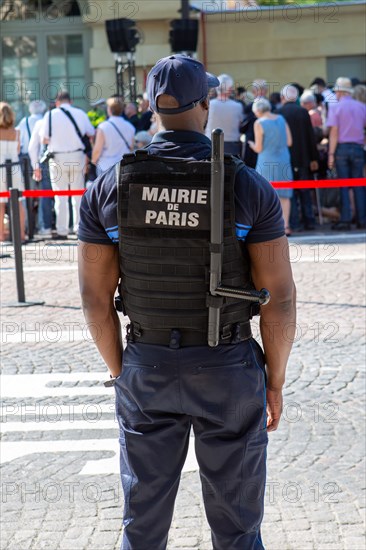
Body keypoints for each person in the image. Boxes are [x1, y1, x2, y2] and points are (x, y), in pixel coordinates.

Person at [78, 54, 296, 550]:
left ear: (151, 107)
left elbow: (94, 301)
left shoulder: (108, 187)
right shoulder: (246, 184)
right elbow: (279, 300)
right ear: (206, 104)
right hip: (227, 365)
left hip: (147, 362)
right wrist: (275, 382)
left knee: (143, 528)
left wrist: (121, 373)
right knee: (238, 530)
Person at [39, 90, 95, 239]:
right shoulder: (80, 113)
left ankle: (62, 230)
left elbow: (44, 139)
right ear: (70, 101)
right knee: (78, 194)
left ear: (57, 102)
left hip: (57, 157)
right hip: (78, 155)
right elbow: (91, 132)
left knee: (60, 196)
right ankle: (79, 228)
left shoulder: (49, 115)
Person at [248, 98, 293, 235]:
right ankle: (286, 226)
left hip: (266, 161)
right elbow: (290, 142)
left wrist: (249, 143)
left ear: (257, 111)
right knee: (285, 195)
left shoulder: (259, 123)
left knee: (265, 194)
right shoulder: (281, 118)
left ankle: (268, 227)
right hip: (283, 160)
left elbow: (259, 148)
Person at [327, 77, 366, 230]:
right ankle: (362, 219)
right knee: (358, 185)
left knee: (343, 185)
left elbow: (334, 132)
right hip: (358, 147)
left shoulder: (335, 108)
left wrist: (330, 153)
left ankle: (346, 219)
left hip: (342, 148)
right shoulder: (361, 106)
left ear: (340, 92)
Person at [279, 84, 319, 231]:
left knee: (290, 193)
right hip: (303, 158)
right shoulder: (303, 112)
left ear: (283, 97)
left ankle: (294, 222)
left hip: (286, 158)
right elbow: (310, 136)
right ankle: (310, 221)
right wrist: (314, 158)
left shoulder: (279, 112)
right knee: (305, 191)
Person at [0, 102, 25, 241]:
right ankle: (21, 235)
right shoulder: (16, 132)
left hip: (0, 168)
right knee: (18, 202)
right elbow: (18, 151)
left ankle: (1, 236)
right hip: (15, 168)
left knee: (0, 204)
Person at [28, 106, 54, 237]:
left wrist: (36, 166)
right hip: (69, 159)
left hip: (47, 162)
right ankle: (70, 226)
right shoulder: (68, 119)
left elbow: (32, 147)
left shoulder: (41, 123)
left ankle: (47, 227)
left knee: (46, 195)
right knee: (68, 195)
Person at [91, 97, 135, 175]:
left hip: (106, 167)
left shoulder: (103, 127)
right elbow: (131, 148)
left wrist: (94, 161)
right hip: (124, 167)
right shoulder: (130, 127)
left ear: (109, 109)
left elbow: (97, 150)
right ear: (122, 110)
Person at [205, 73, 244, 155]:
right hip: (231, 144)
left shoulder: (208, 104)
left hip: (211, 142)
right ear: (229, 89)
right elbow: (241, 124)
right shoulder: (238, 106)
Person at [241, 79, 271, 168]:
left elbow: (242, 127)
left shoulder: (248, 107)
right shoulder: (272, 106)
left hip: (252, 144)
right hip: (267, 143)